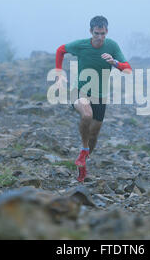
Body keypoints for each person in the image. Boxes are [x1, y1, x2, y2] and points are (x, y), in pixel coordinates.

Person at [55, 16, 132, 182]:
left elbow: (128, 70)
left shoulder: (112, 46)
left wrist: (115, 63)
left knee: (94, 134)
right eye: (97, 33)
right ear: (91, 32)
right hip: (79, 90)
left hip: (100, 95)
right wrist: (59, 73)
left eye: (103, 34)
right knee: (87, 116)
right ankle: (83, 151)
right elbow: (60, 50)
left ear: (107, 32)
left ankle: (83, 163)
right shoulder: (81, 45)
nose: (100, 37)